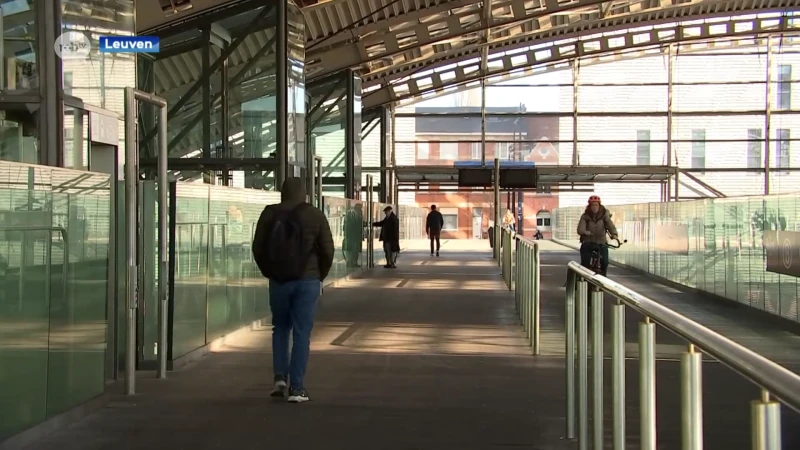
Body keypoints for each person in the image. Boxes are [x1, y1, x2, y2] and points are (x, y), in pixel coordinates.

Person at [252, 177, 334, 403]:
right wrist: (319, 275)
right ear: (305, 193)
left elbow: (257, 248)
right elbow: (328, 249)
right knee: (301, 333)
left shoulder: (269, 213)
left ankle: (279, 379)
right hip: (307, 281)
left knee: (280, 328)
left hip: (278, 281)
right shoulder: (314, 214)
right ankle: (297, 388)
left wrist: (271, 272)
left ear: (283, 192)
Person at [577, 195, 618, 276]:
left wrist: (614, 234)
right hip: (588, 242)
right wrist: (585, 232)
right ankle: (584, 278)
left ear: (599, 206)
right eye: (592, 205)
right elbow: (580, 229)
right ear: (589, 206)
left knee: (605, 262)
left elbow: (610, 225)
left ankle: (603, 279)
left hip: (601, 242)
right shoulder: (585, 216)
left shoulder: (604, 215)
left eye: (596, 205)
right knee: (585, 262)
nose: (594, 207)